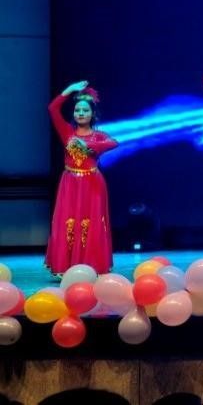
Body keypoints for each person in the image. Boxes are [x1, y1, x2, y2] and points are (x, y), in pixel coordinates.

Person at [45, 82, 118, 275]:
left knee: (90, 224)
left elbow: (113, 143)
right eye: (77, 110)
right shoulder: (67, 132)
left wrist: (91, 147)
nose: (81, 113)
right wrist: (69, 90)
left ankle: (91, 265)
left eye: (85, 110)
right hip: (70, 183)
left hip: (92, 183)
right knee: (68, 222)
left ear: (92, 114)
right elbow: (52, 109)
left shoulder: (98, 135)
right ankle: (66, 266)